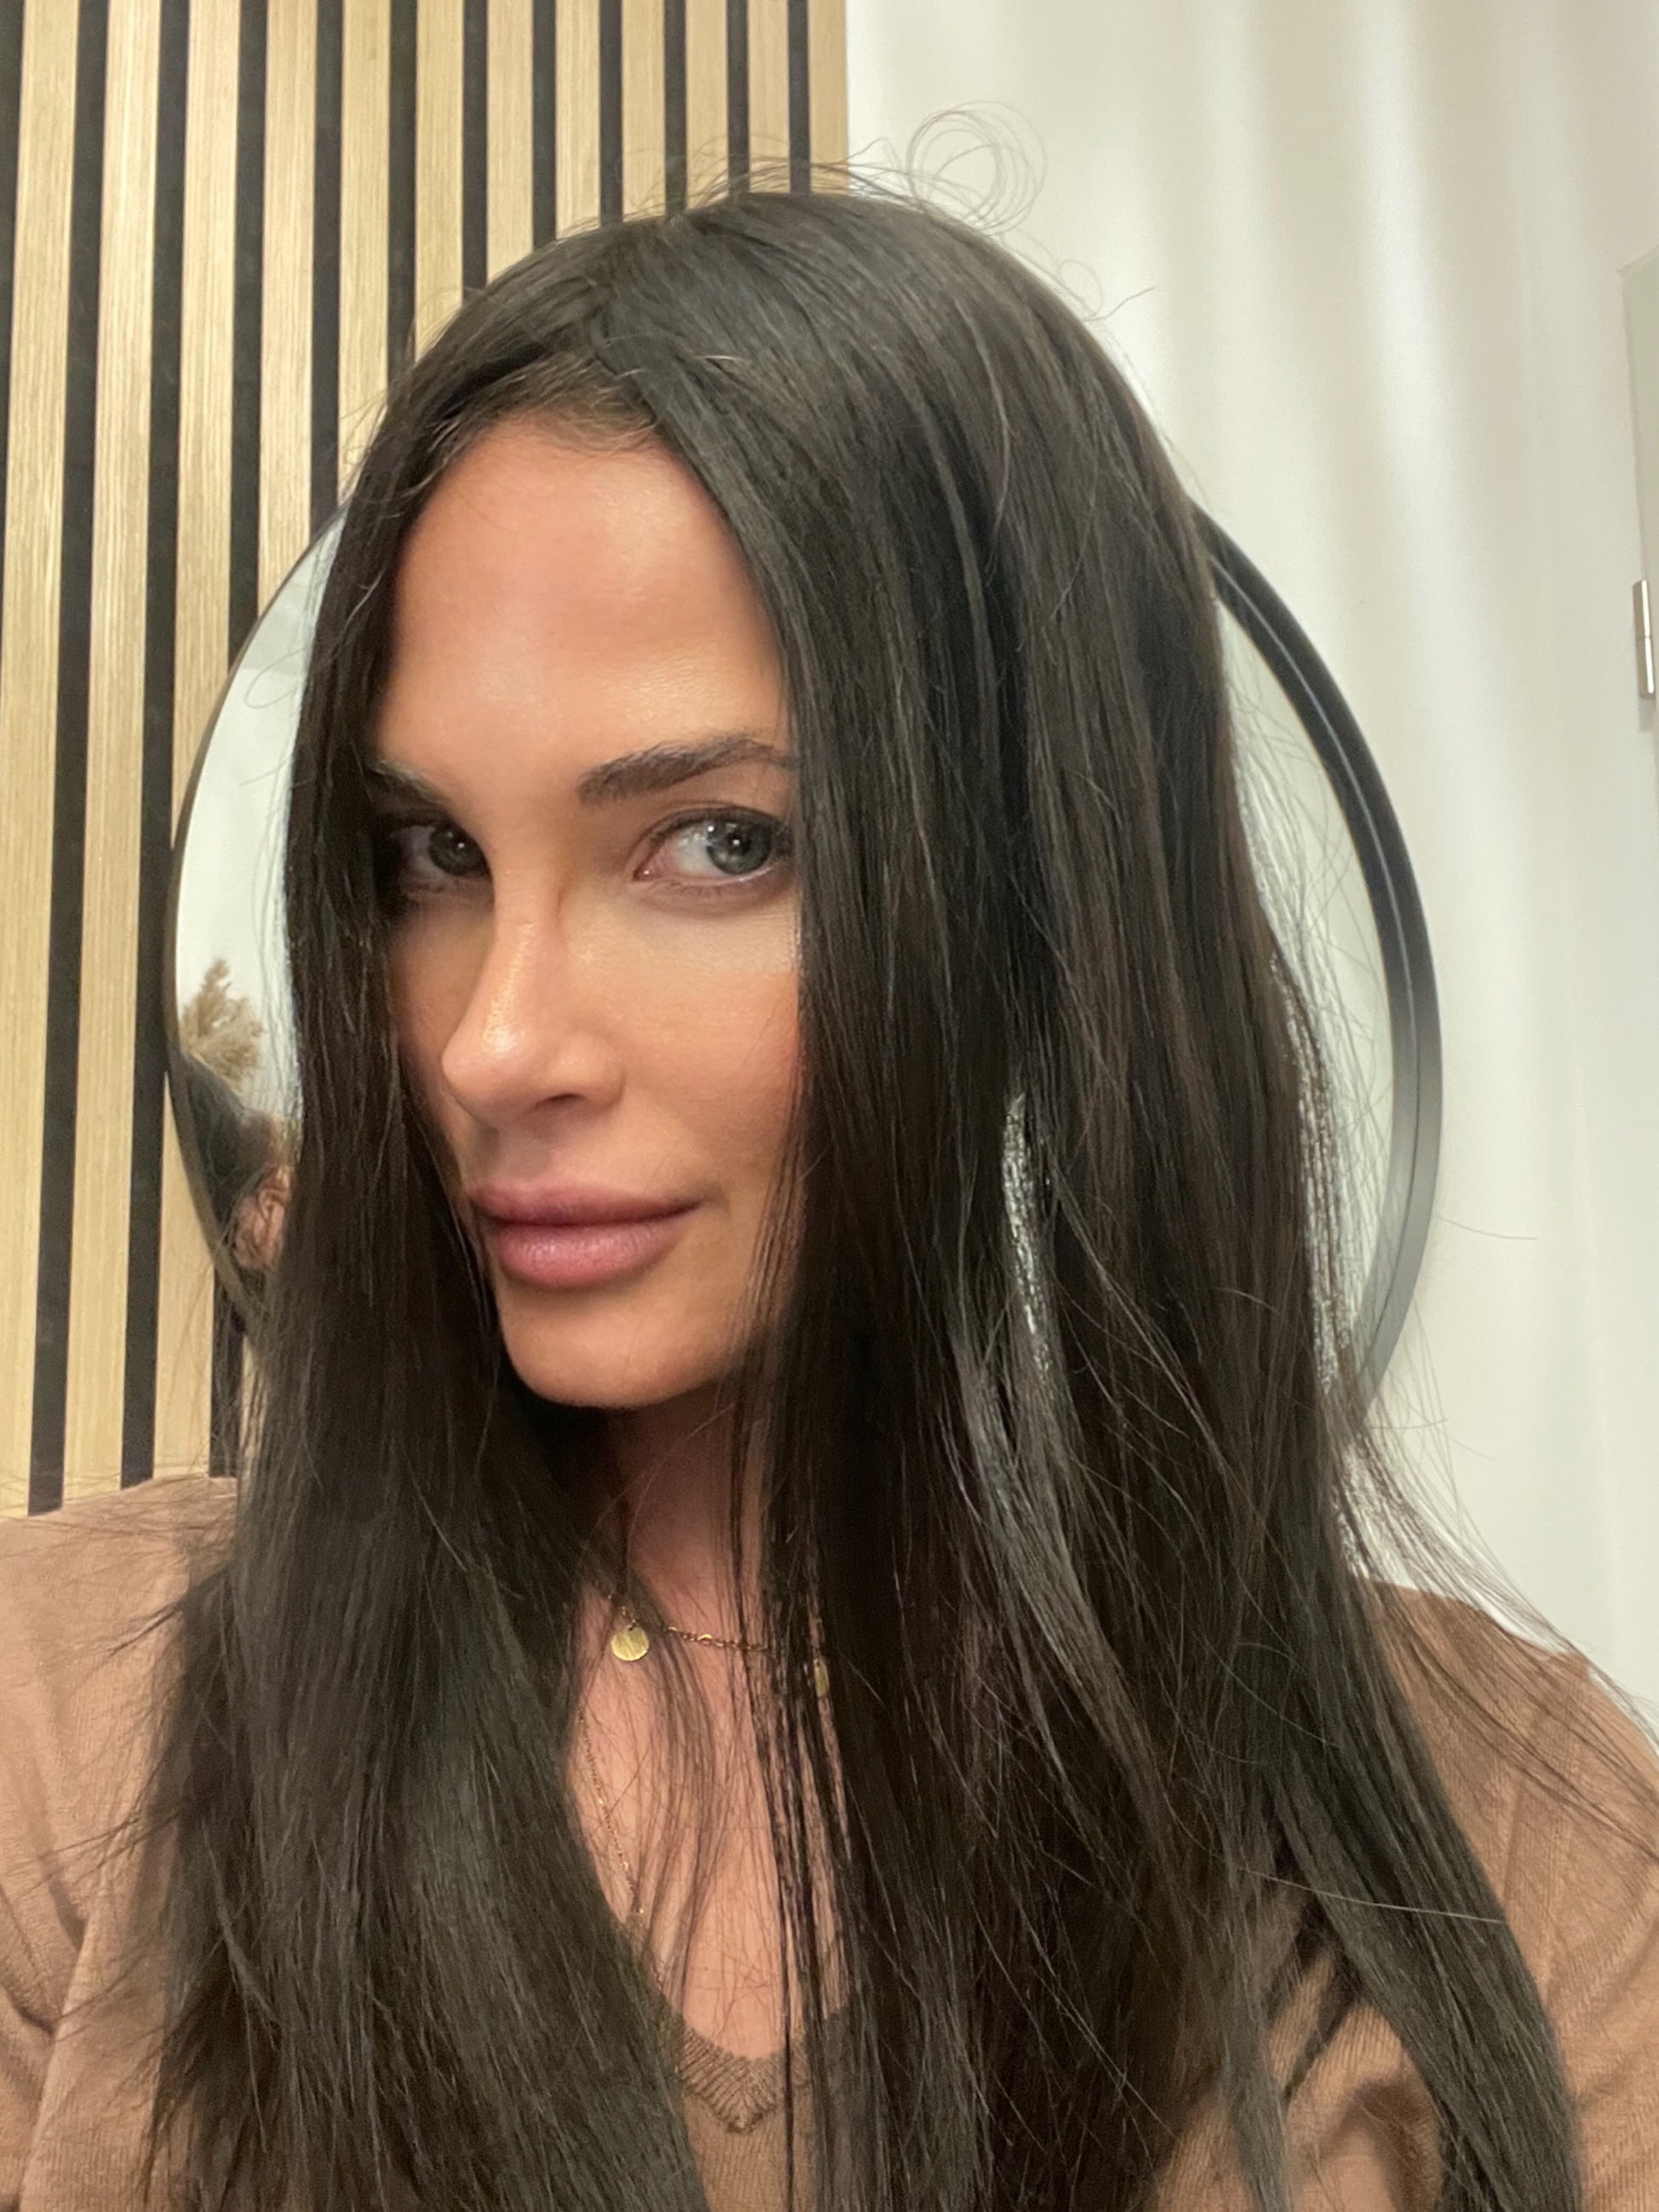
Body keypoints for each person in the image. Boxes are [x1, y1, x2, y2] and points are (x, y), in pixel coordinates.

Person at [2, 182, 1656, 2212]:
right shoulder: (71, 1730)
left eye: (715, 841)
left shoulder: (1524, 1860)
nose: (492, 1044)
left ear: (1055, 906)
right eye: (430, 855)